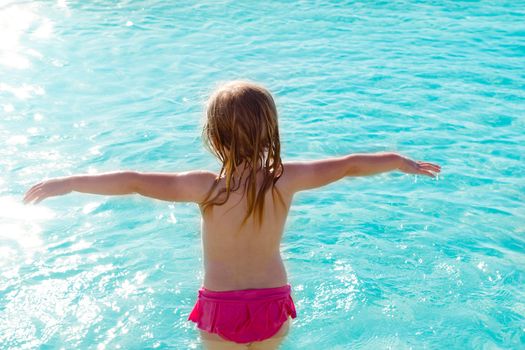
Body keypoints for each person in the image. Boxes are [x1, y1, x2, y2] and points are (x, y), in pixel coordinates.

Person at [23, 80, 441, 349]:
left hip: (220, 307)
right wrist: (397, 160)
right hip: (273, 303)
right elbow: (350, 164)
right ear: (270, 131)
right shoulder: (286, 179)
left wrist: (70, 182)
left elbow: (132, 180)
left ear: (214, 134)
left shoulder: (205, 187)